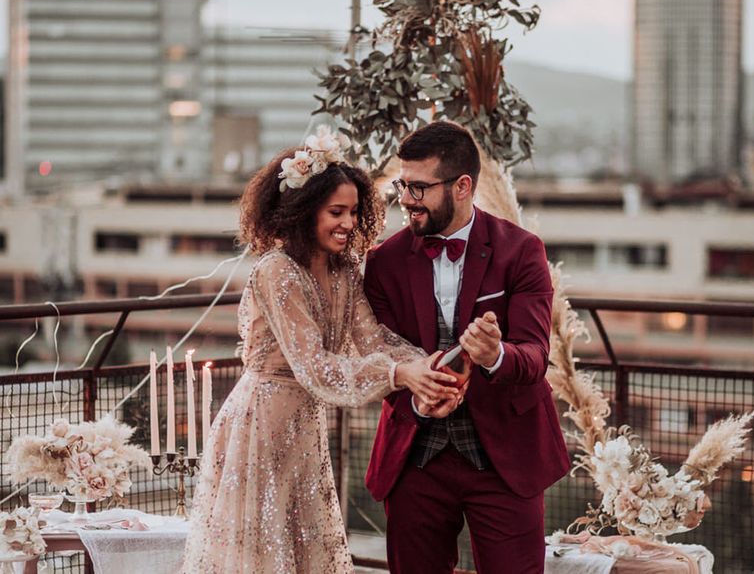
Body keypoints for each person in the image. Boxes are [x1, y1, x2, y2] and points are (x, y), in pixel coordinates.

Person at [183, 127, 457, 573]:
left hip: (305, 428)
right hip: (261, 427)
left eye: (353, 211)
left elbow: (374, 340)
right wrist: (399, 376)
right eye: (336, 212)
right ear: (304, 211)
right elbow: (315, 368)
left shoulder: (345, 269)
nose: (348, 223)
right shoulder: (276, 272)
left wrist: (428, 367)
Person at [364, 121, 570, 574]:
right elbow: (378, 355)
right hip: (416, 456)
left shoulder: (521, 251)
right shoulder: (384, 262)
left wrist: (495, 354)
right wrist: (418, 397)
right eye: (403, 184)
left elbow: (535, 357)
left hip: (504, 459)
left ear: (462, 186)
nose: (405, 198)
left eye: (419, 187)